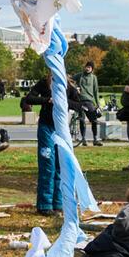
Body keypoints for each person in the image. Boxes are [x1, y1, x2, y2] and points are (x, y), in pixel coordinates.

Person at [23, 73, 81, 215]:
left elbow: (79, 104)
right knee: (48, 164)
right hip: (46, 128)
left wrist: (64, 101)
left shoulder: (68, 86)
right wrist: (47, 100)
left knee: (60, 166)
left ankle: (58, 203)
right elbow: (29, 98)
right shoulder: (44, 83)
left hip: (61, 129)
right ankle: (44, 205)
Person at [74, 61, 102, 146]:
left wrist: (98, 104)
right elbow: (70, 80)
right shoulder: (79, 75)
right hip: (80, 101)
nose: (87, 68)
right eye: (86, 66)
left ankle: (95, 139)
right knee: (82, 120)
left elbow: (96, 91)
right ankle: (83, 139)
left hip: (90, 102)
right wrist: (76, 88)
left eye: (89, 67)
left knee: (94, 120)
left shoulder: (94, 78)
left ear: (92, 69)